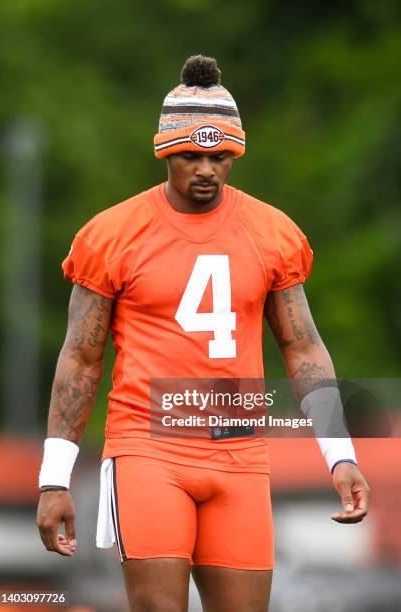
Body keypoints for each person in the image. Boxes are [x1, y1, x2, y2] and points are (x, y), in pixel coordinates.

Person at [37, 55, 370, 612]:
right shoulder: (112, 234)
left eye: (220, 157)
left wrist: (340, 454)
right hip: (148, 449)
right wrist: (54, 478)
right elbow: (81, 359)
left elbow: (302, 345)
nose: (207, 170)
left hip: (239, 454)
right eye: (191, 155)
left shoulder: (271, 231)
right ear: (166, 152)